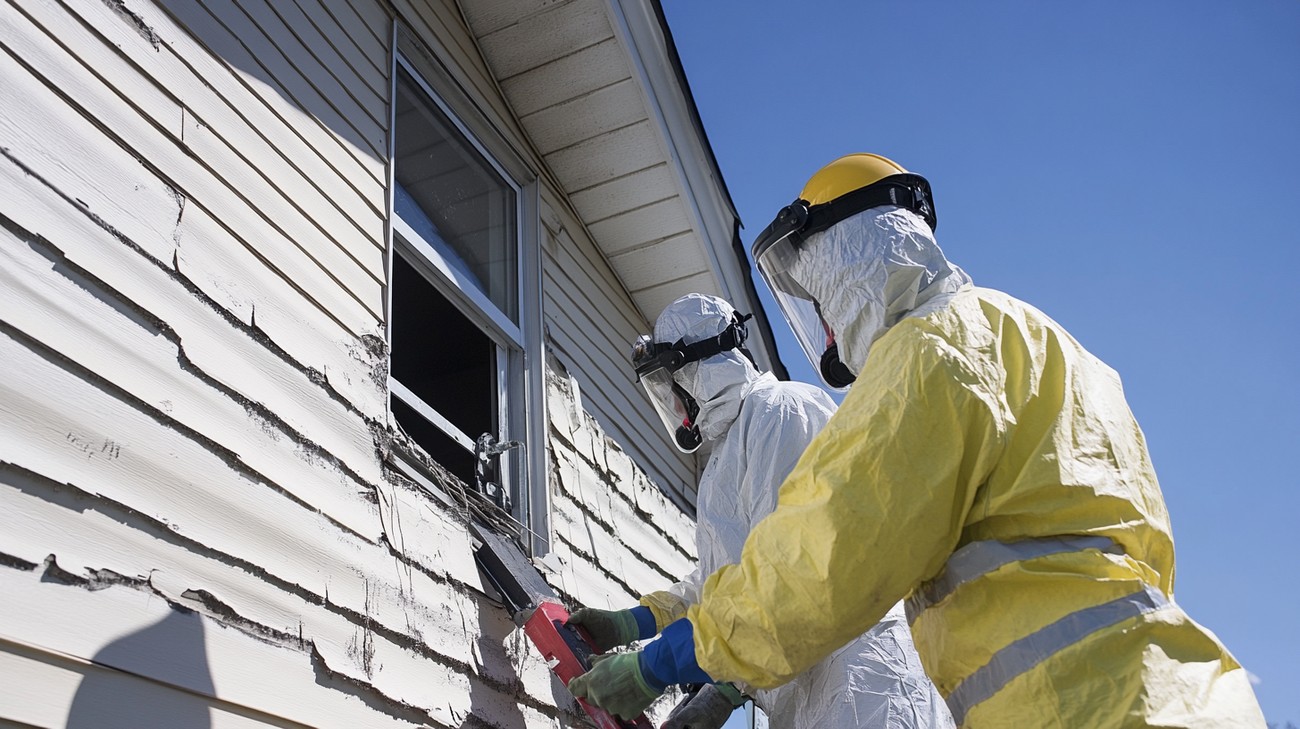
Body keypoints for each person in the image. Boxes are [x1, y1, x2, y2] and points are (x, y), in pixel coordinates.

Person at [568, 154, 1266, 727]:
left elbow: (816, 562)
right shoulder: (1044, 343)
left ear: (850, 263)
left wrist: (670, 665)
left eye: (822, 302)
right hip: (1180, 691)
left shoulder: (928, 356)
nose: (830, 336)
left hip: (1068, 707)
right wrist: (644, 625)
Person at [568, 293, 951, 728]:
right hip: (804, 686)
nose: (673, 405)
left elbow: (791, 573)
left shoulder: (781, 412)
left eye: (670, 383)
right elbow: (729, 581)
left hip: (865, 678)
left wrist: (658, 668)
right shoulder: (724, 459)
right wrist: (634, 622)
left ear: (696, 369)